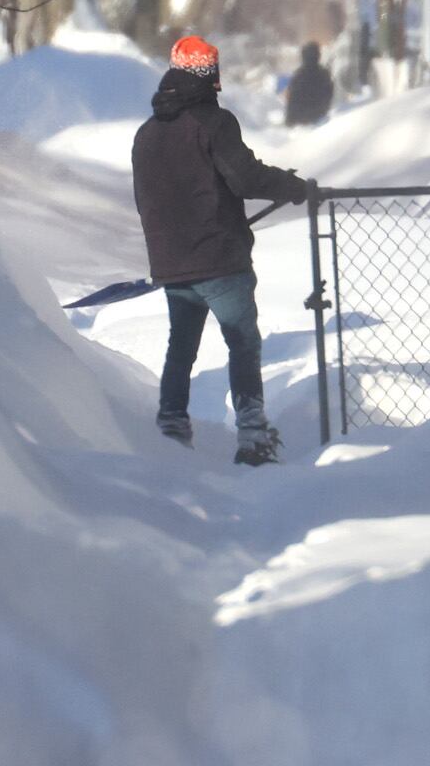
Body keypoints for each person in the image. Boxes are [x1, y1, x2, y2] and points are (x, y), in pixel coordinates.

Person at [132, 34, 312, 464]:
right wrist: (291, 186)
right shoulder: (215, 123)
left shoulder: (147, 133)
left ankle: (171, 429)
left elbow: (150, 200)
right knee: (242, 342)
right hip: (220, 260)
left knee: (181, 346)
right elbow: (245, 178)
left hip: (173, 265)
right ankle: (252, 436)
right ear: (212, 76)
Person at [284, 40, 334, 126]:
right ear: (318, 56)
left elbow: (292, 100)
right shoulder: (324, 74)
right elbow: (330, 96)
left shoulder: (298, 75)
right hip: (320, 119)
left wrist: (289, 121)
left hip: (302, 122)